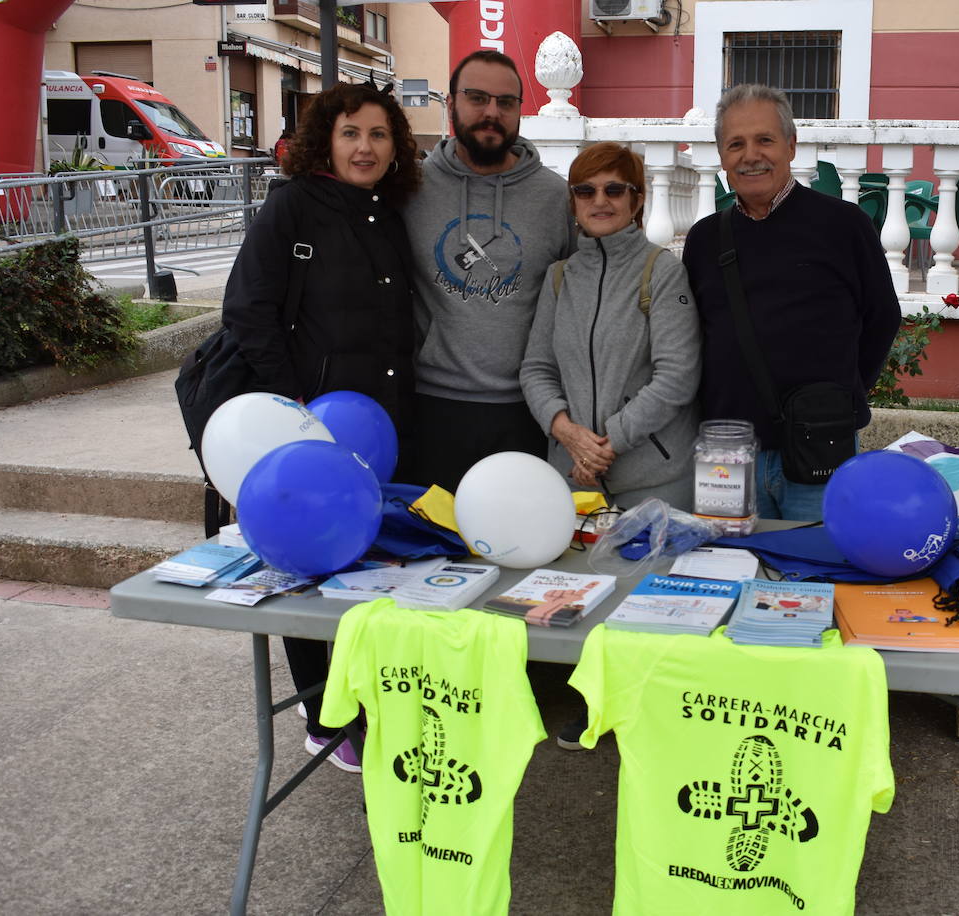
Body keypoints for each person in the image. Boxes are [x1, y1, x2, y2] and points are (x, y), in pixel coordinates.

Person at [223, 81, 421, 773]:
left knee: (367, 568)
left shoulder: (386, 212)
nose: (365, 147)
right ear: (325, 142)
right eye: (350, 134)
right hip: (313, 428)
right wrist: (294, 409)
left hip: (382, 424)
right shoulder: (292, 209)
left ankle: (367, 700)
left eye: (378, 134)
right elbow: (247, 312)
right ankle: (322, 716)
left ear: (395, 146)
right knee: (310, 569)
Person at [682, 84, 901, 522]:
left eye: (765, 139)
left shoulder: (843, 225)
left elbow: (882, 318)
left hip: (818, 443)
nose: (751, 155)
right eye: (736, 144)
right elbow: (693, 335)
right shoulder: (704, 239)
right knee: (727, 569)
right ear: (722, 158)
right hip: (727, 452)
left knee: (813, 571)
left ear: (791, 145)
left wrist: (840, 394)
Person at [402, 50, 575, 492]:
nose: (491, 113)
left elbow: (583, 294)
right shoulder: (411, 190)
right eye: (477, 98)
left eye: (506, 102)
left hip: (527, 411)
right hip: (431, 407)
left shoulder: (557, 198)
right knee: (438, 551)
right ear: (451, 103)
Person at [520, 142, 700, 511]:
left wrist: (607, 444)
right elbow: (537, 369)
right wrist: (569, 436)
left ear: (636, 201)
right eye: (585, 191)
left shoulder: (662, 272)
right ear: (573, 203)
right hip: (574, 476)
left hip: (654, 482)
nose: (599, 200)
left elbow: (677, 376)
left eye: (614, 189)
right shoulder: (560, 277)